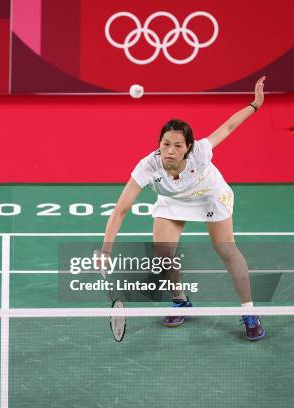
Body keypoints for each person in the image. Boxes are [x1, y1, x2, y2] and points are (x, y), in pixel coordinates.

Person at [97, 77, 267, 341]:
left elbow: (229, 126)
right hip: (174, 202)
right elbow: (120, 209)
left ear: (188, 148)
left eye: (177, 145)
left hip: (209, 197)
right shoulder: (148, 167)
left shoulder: (201, 152)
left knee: (226, 250)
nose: (170, 150)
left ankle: (250, 312)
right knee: (163, 254)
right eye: (165, 144)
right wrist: (106, 249)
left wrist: (254, 105)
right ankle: (180, 300)